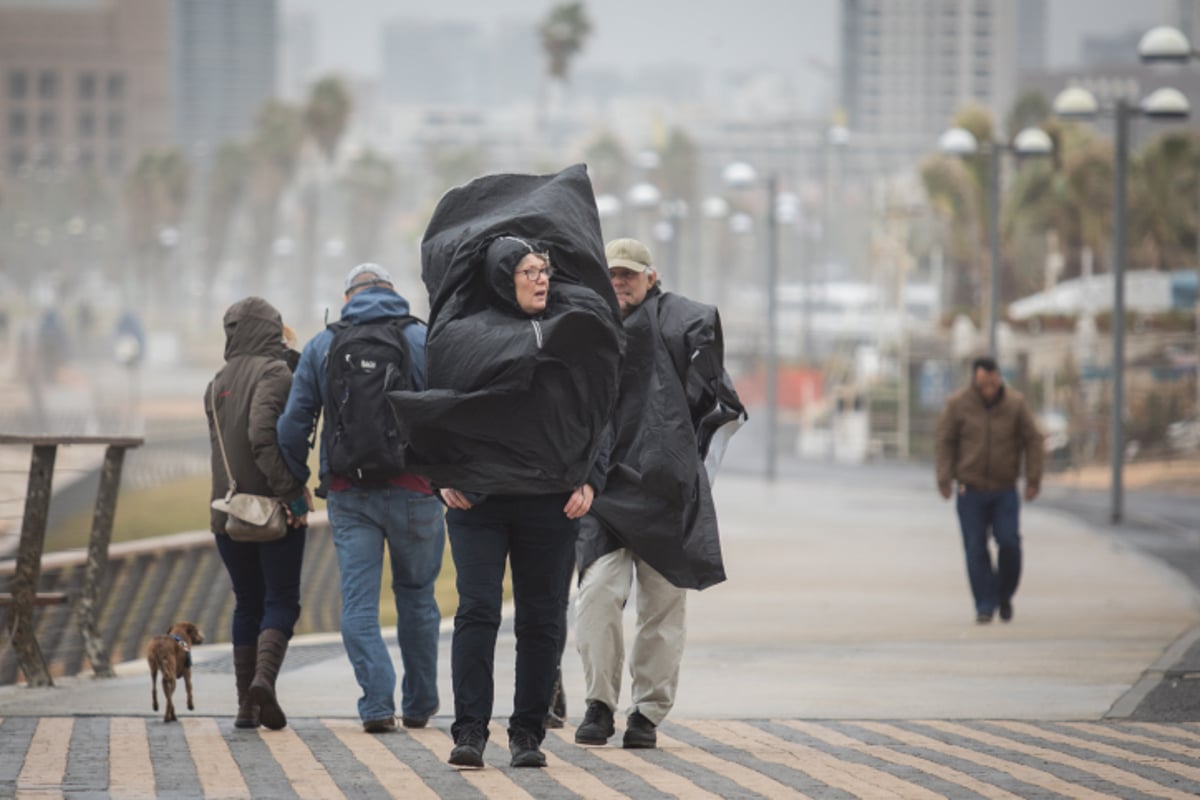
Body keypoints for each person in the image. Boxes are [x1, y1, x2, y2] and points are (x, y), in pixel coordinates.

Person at [388, 165, 624, 770]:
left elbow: (598, 409)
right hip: (479, 503)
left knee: (543, 620)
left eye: (545, 271)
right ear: (502, 277)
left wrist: (592, 478)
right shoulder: (460, 337)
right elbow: (438, 411)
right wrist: (441, 477)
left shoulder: (571, 331)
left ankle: (527, 735)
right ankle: (469, 731)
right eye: (528, 273)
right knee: (477, 612)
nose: (541, 280)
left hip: (552, 500)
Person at [574, 238, 746, 750]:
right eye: (613, 274)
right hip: (605, 491)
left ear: (652, 277)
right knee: (597, 597)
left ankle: (646, 714)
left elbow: (718, 401)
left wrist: (688, 467)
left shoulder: (682, 325)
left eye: (629, 274)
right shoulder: (589, 329)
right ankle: (599, 704)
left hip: (668, 492)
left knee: (662, 610)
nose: (620, 282)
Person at [276, 263, 445, 734]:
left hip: (350, 493)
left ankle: (376, 703)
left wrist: (296, 481)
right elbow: (450, 411)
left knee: (358, 604)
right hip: (417, 491)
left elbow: (292, 425)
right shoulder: (421, 339)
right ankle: (420, 703)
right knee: (417, 596)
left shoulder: (323, 345)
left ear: (348, 298)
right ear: (393, 293)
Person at [204, 296, 311, 731]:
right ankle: (263, 683)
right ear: (271, 329)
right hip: (272, 511)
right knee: (281, 599)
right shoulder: (275, 373)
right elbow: (262, 438)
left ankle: (245, 708)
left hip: (226, 515)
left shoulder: (216, 382)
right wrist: (293, 496)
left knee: (246, 602)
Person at [935, 356, 1044, 624]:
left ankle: (1003, 593)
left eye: (993, 382)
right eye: (984, 382)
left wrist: (1033, 479)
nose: (989, 387)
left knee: (1009, 543)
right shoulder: (958, 404)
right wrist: (944, 479)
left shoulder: (1015, 404)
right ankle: (984, 604)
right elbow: (944, 442)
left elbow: (1034, 440)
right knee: (975, 548)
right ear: (975, 378)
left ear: (999, 377)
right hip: (969, 489)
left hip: (1004, 488)